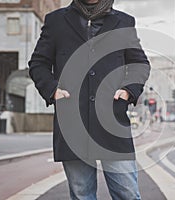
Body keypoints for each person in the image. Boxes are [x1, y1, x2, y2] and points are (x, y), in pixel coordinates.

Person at [28, 0, 150, 199]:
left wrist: (128, 90)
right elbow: (38, 63)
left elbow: (139, 63)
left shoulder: (124, 22)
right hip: (72, 124)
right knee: (81, 194)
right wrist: (52, 90)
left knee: (127, 193)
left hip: (113, 122)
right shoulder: (56, 20)